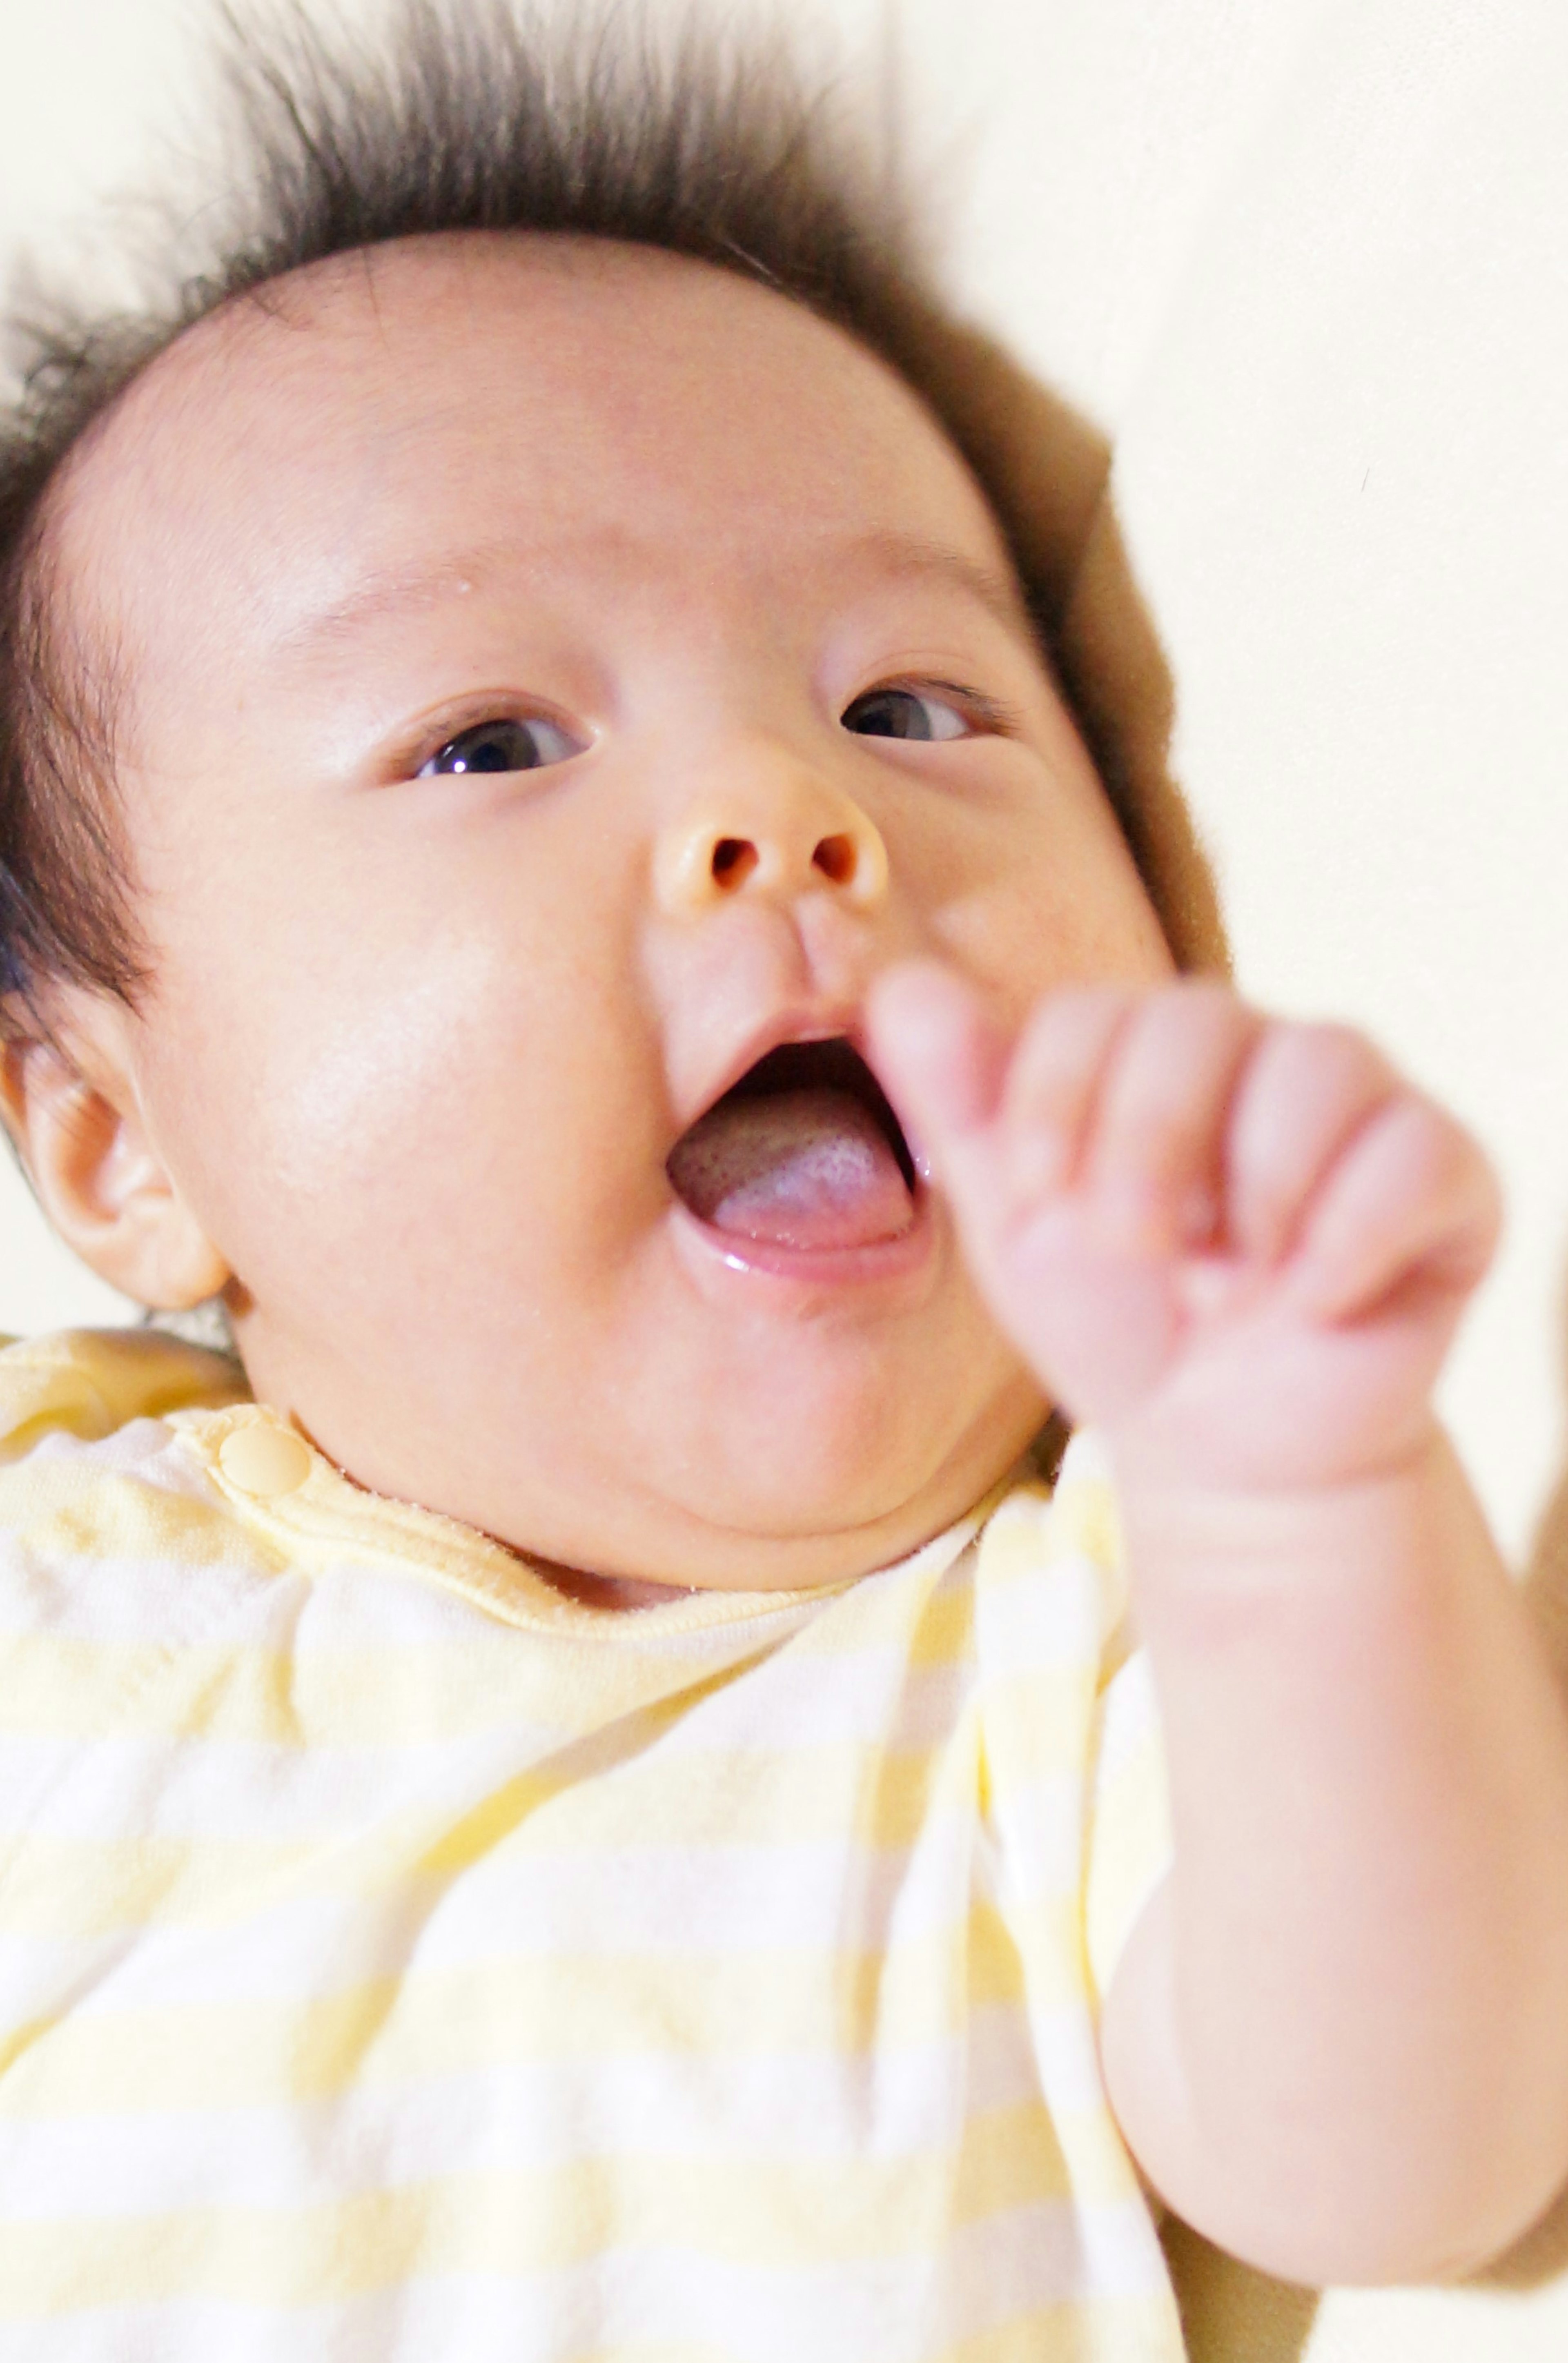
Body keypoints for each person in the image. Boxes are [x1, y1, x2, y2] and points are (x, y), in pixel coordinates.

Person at [0, 5, 1565, 2354]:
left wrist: (1296, 1481)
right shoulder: (56, 1563)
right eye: (490, 739)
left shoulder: (1101, 1633)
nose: (784, 807)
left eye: (909, 707)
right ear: (121, 1153)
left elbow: (1423, 2155)